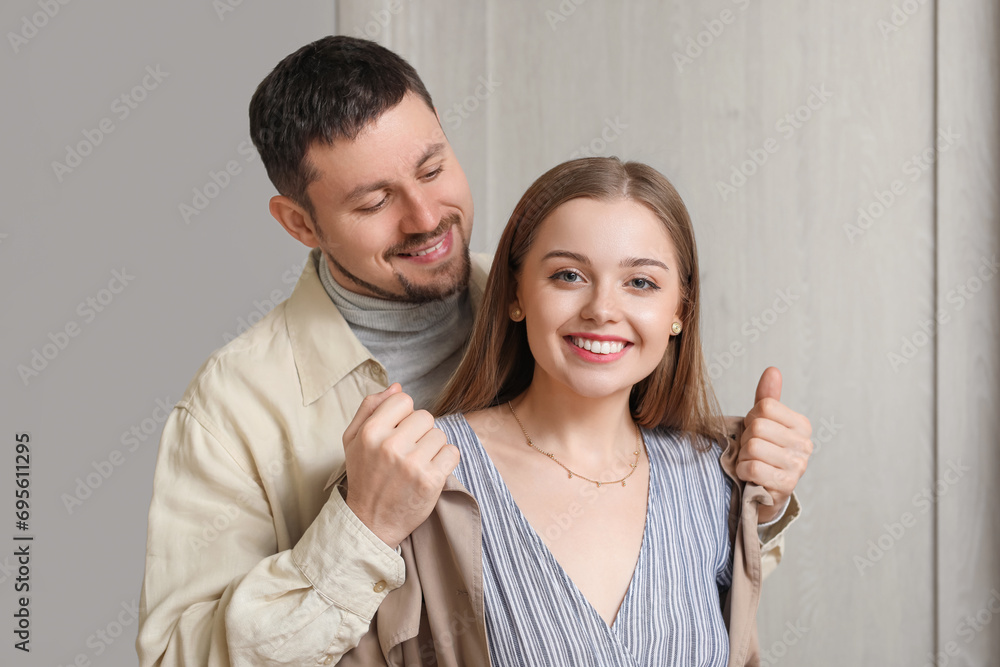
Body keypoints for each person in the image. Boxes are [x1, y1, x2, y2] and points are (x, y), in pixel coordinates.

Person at [136, 36, 805, 666]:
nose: (426, 217)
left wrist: (754, 503)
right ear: (300, 223)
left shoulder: (565, 313)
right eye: (374, 202)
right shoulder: (234, 406)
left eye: (433, 168)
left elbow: (678, 587)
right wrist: (362, 528)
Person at [332, 157, 813, 666]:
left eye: (642, 283)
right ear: (516, 294)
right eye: (569, 275)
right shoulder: (419, 476)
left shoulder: (713, 477)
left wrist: (766, 501)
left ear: (679, 312)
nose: (602, 308)